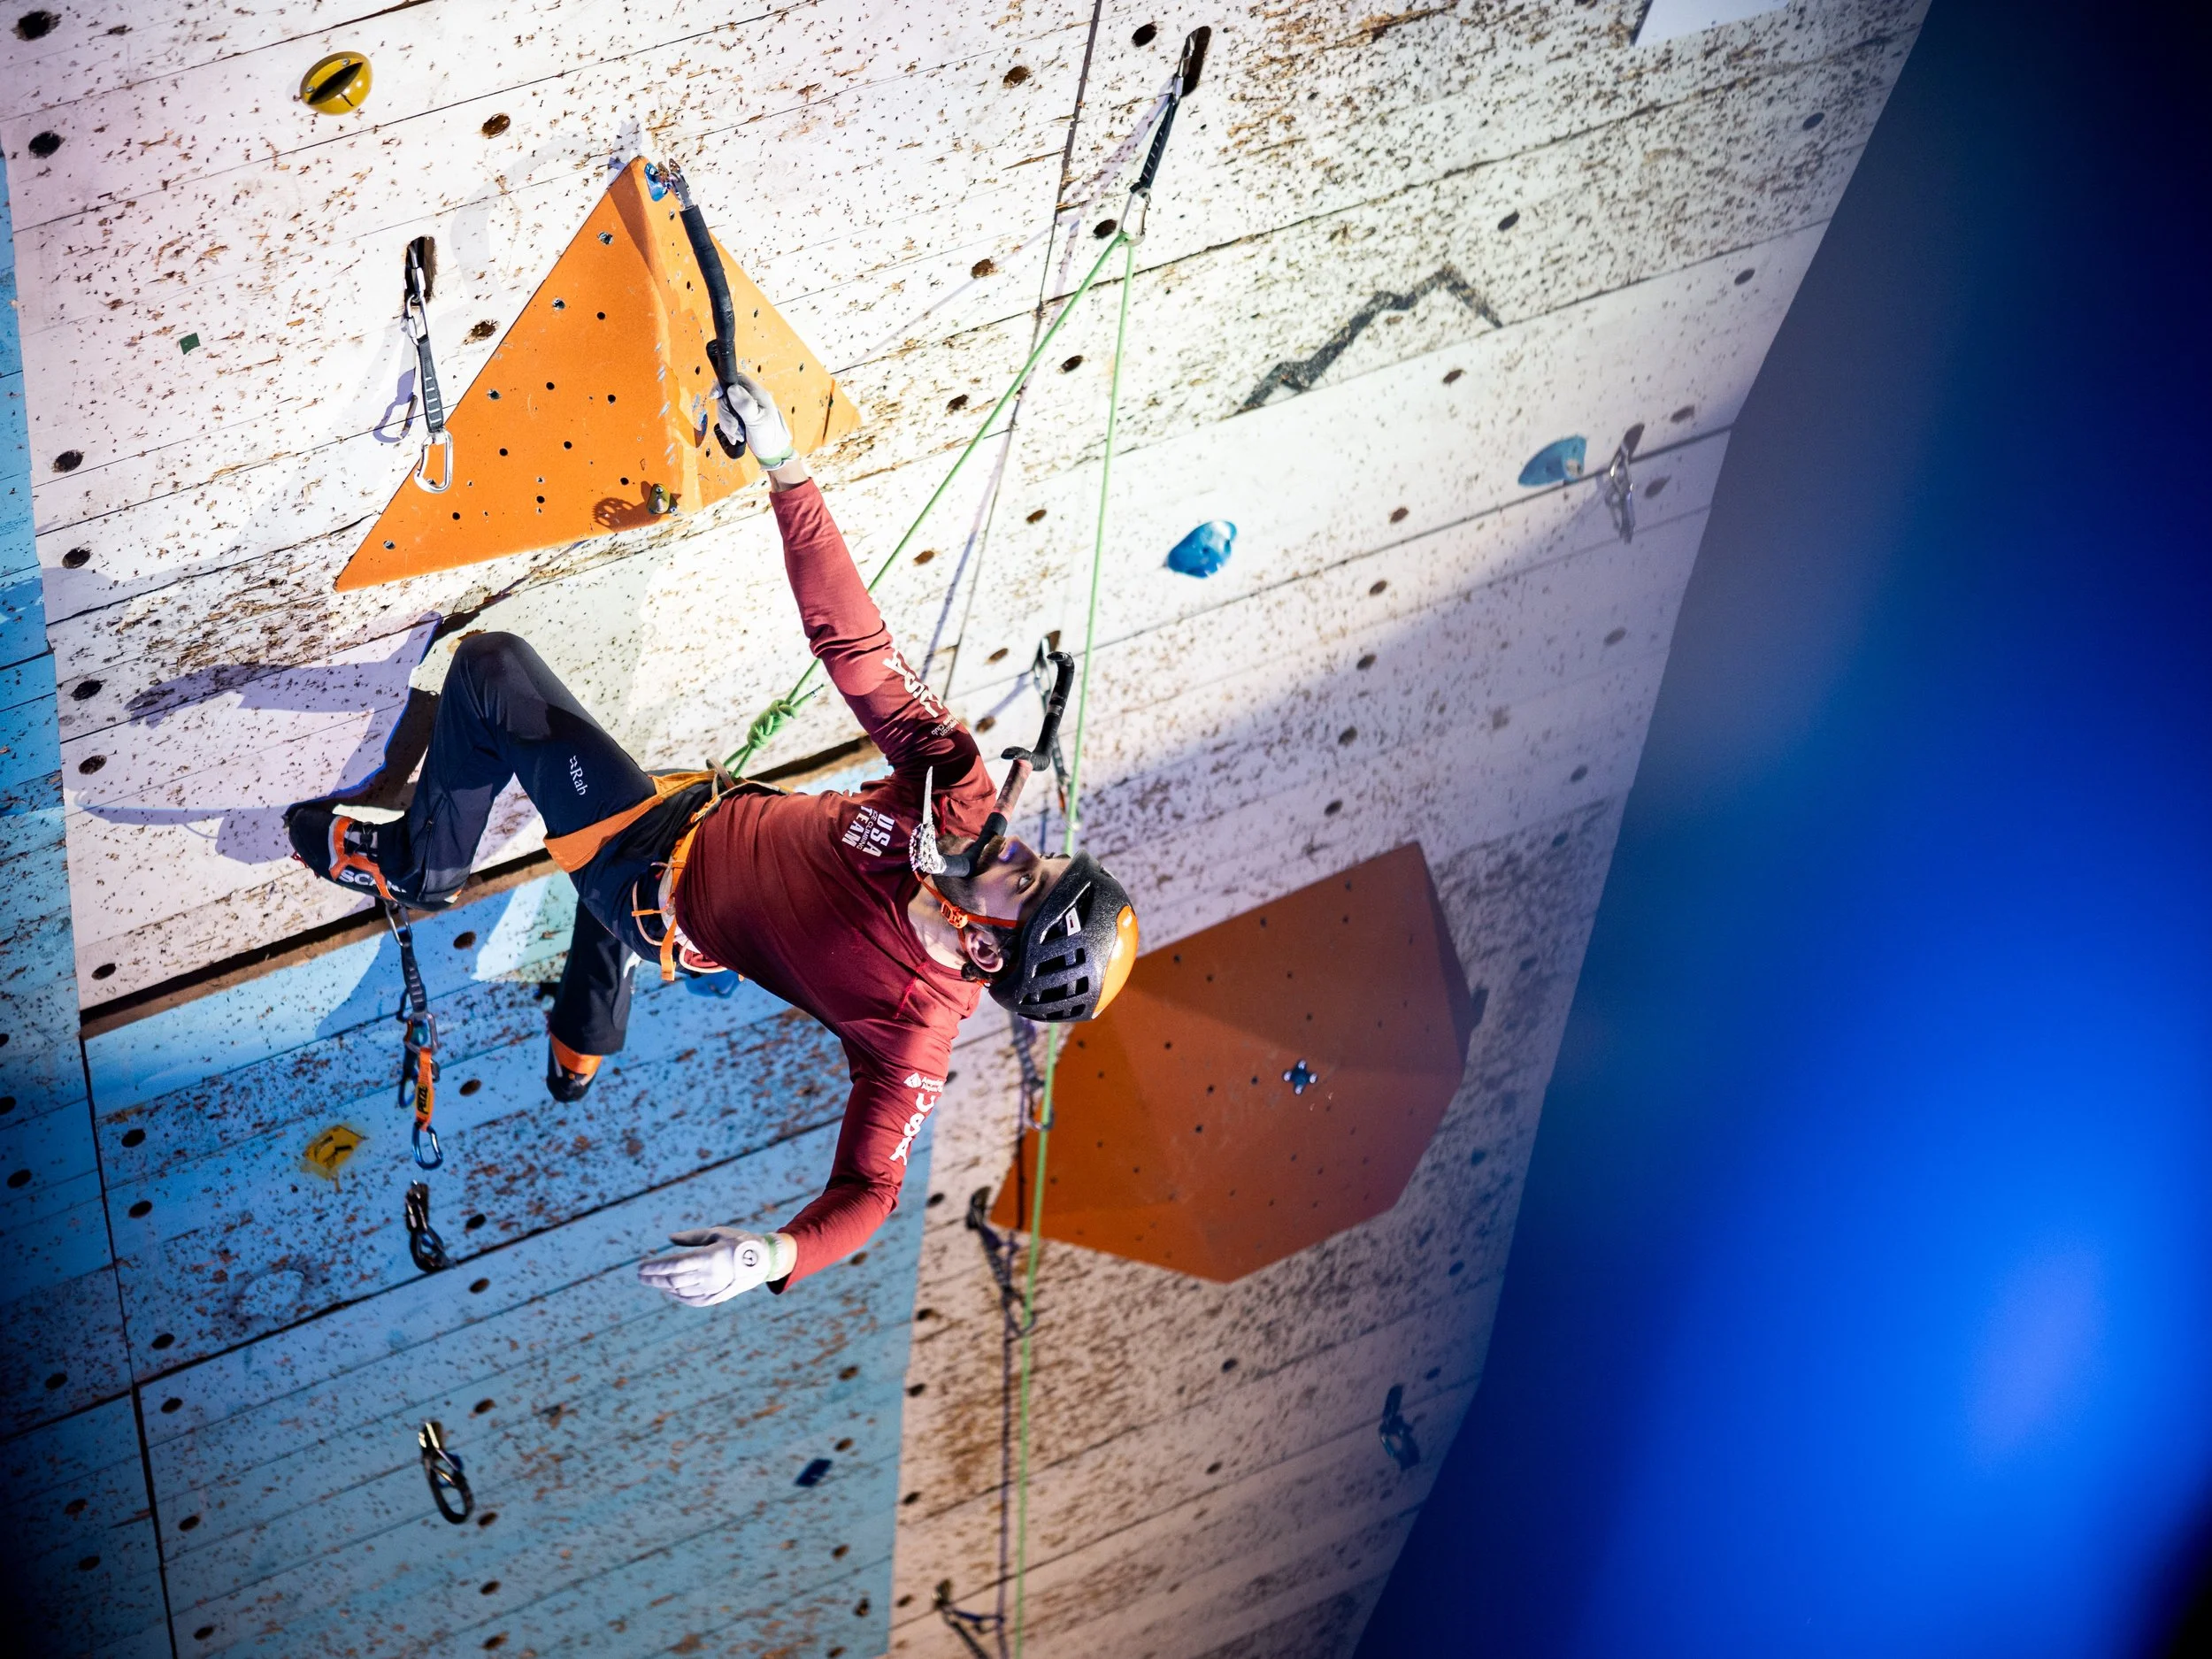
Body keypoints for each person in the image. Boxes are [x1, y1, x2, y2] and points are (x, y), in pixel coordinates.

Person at [286, 373, 1139, 1304]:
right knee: (608, 923)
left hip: (639, 864)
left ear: (988, 948)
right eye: (1044, 857)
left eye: (1027, 883)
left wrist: (767, 1257)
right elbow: (858, 650)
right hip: (705, 817)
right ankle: (579, 1052)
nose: (1018, 851)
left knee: (493, 672)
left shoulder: (911, 1030)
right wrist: (788, 469)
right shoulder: (960, 798)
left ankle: (420, 865)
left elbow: (871, 1190)